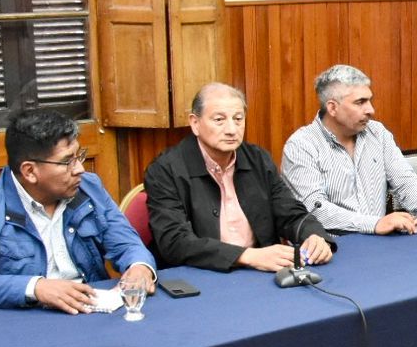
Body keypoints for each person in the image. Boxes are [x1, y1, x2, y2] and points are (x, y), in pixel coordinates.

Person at [0, 109, 156, 312]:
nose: (79, 169)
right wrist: (36, 288)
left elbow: (127, 244)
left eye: (78, 156)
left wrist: (140, 266)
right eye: (67, 161)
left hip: (91, 314)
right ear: (30, 171)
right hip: (25, 324)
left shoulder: (88, 188)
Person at [144, 82, 336, 271]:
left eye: (238, 119)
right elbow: (174, 242)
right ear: (195, 123)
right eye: (219, 120)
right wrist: (246, 256)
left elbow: (289, 212)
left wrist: (314, 235)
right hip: (201, 275)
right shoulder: (165, 170)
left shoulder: (258, 159)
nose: (231, 129)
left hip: (261, 272)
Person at [281, 64, 417, 236]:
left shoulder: (377, 133)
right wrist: (374, 224)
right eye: (360, 102)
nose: (371, 110)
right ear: (332, 107)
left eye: (369, 100)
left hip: (381, 243)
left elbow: (405, 181)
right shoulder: (301, 145)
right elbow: (314, 209)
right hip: (331, 248)